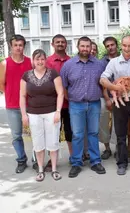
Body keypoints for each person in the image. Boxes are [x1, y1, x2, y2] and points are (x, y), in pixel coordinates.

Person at [100, 35, 130, 176]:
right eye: (125, 45)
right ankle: (121, 163)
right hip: (119, 104)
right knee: (121, 134)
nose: (127, 49)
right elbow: (103, 79)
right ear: (121, 46)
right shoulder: (114, 62)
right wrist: (114, 88)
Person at [60, 36, 106, 178]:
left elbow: (103, 84)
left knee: (93, 133)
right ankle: (76, 163)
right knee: (78, 135)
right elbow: (64, 86)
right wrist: (72, 99)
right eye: (83, 46)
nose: (85, 49)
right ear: (78, 47)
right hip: (76, 105)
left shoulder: (99, 65)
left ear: (91, 47)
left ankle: (95, 161)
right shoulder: (69, 65)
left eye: (88, 46)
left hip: (94, 104)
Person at [19, 49, 64, 181]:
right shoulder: (26, 76)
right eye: (37, 59)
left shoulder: (53, 74)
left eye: (42, 59)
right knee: (38, 142)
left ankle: (54, 168)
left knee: (53, 141)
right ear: (33, 61)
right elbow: (22, 96)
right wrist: (24, 115)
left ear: (46, 60)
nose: (40, 62)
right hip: (33, 114)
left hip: (51, 113)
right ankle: (40, 169)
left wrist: (58, 111)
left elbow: (60, 93)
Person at [0, 35, 33, 173]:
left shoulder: (30, 62)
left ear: (24, 46)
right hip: (12, 106)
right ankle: (21, 160)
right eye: (16, 45)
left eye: (21, 45)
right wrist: (11, 94)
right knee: (16, 135)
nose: (18, 47)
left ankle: (37, 160)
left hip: (31, 105)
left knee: (35, 134)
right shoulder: (4, 63)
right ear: (11, 46)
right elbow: (1, 84)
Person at [46, 34, 73, 171]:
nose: (60, 44)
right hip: (53, 105)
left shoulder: (72, 61)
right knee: (53, 133)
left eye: (63, 42)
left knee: (70, 131)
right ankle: (52, 160)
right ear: (52, 44)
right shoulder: (47, 62)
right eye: (58, 42)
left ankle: (73, 157)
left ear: (66, 44)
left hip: (69, 104)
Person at [99, 36, 119, 160]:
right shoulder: (102, 63)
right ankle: (107, 148)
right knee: (103, 121)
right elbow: (101, 81)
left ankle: (118, 147)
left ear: (116, 45)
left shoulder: (123, 59)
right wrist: (107, 99)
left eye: (112, 44)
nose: (110, 47)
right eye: (107, 46)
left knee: (119, 123)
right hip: (105, 96)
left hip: (120, 97)